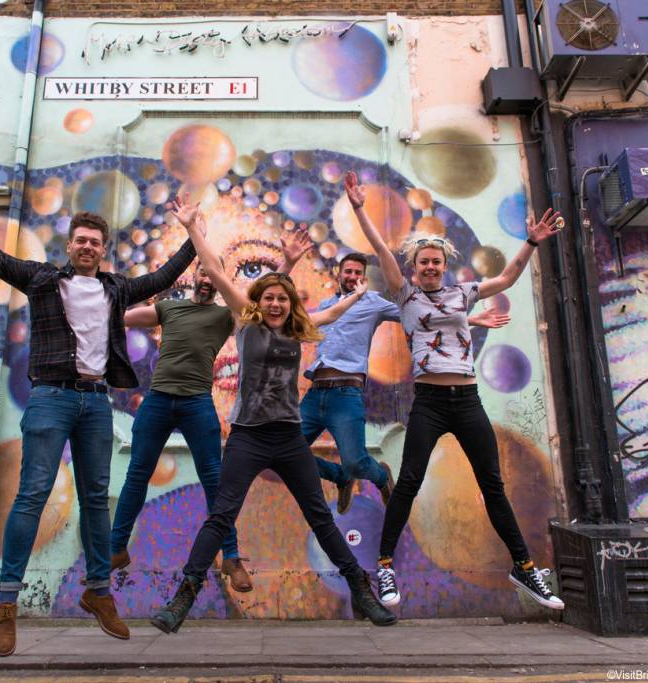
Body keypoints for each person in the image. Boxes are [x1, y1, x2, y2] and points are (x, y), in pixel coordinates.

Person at [0, 170, 198, 655]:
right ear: (70, 246)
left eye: (95, 241)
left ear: (103, 249)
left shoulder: (115, 289)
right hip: (50, 397)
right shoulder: (42, 280)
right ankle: (6, 603)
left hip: (95, 401)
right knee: (32, 494)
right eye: (81, 241)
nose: (88, 247)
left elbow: (161, 278)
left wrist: (193, 234)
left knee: (96, 497)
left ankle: (98, 591)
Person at [149, 203, 397, 633]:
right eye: (270, 297)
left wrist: (358, 293)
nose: (277, 303)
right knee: (221, 516)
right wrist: (192, 227)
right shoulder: (245, 324)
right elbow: (215, 269)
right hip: (247, 436)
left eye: (283, 298)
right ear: (257, 302)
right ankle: (182, 597)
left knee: (319, 516)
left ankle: (361, 590)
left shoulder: (299, 328)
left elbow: (332, 314)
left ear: (289, 303)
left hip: (286, 438)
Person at [339, 171, 566, 611]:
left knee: (492, 486)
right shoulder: (404, 296)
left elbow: (506, 280)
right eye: (423, 262)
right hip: (428, 402)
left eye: (436, 263)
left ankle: (524, 567)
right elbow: (382, 250)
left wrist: (532, 242)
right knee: (408, 481)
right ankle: (384, 565)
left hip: (467, 401)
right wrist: (359, 208)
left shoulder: (464, 294)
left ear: (444, 267)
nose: (429, 267)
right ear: (414, 268)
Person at [110, 229, 312, 592]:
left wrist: (290, 262)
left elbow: (267, 301)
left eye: (212, 274)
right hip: (157, 401)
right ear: (194, 278)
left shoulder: (226, 316)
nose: (206, 278)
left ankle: (232, 559)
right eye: (202, 272)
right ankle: (116, 548)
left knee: (216, 485)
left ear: (219, 282)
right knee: (136, 475)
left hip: (196, 404)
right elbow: (120, 319)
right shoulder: (168, 308)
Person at [297, 251, 511, 514]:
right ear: (338, 274)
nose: (352, 277)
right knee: (286, 449)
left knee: (355, 463)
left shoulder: (373, 302)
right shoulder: (325, 307)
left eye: (357, 273)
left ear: (363, 278)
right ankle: (339, 477)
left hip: (345, 391)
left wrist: (471, 320)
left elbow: (421, 316)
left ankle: (379, 476)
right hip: (315, 391)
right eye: (348, 272)